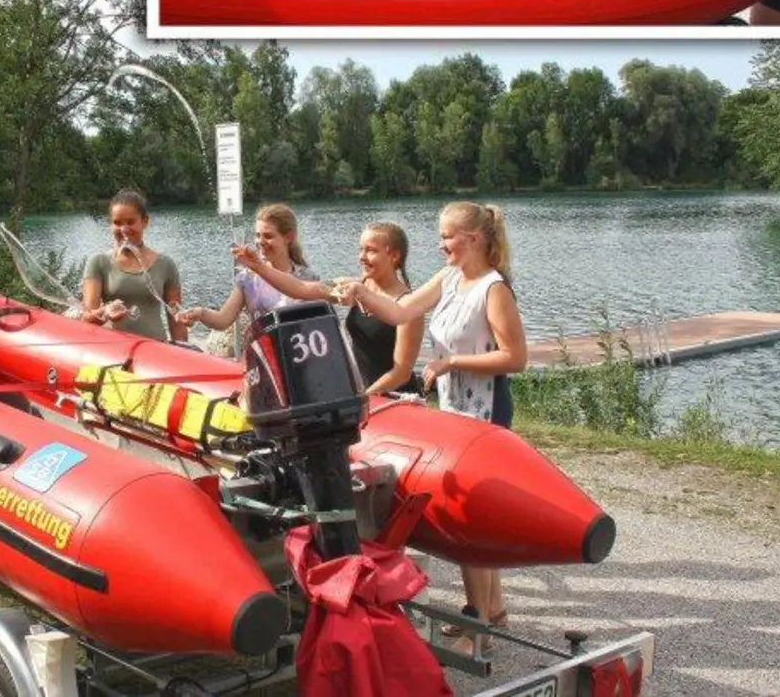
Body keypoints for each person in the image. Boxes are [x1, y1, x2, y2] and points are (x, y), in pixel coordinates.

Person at [336, 202, 528, 656]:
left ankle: (476, 628)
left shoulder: (493, 289)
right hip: (454, 411)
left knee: (467, 523)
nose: (441, 244)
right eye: (441, 236)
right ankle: (492, 610)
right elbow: (401, 313)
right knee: (471, 515)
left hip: (486, 416)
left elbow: (515, 358)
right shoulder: (448, 279)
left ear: (475, 239)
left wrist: (450, 361)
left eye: (448, 237)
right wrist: (359, 294)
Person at [232, 221, 425, 397]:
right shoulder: (353, 287)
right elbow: (301, 289)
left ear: (394, 255)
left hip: (397, 399)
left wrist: (362, 399)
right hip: (364, 394)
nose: (361, 257)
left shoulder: (408, 305)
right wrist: (258, 267)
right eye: (360, 249)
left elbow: (401, 373)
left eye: (371, 251)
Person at [175, 204, 321, 347]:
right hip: (263, 358)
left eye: (268, 236)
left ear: (289, 237)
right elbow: (223, 319)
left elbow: (319, 326)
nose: (260, 242)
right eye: (258, 235)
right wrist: (200, 313)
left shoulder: (308, 278)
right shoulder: (248, 278)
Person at [80, 189, 186, 343]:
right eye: (117, 222)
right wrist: (105, 312)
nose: (123, 229)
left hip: (157, 351)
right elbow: (87, 318)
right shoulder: (98, 262)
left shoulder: (166, 264)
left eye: (130, 222)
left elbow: (176, 319)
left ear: (145, 222)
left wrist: (183, 352)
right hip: (113, 353)